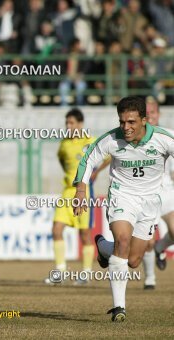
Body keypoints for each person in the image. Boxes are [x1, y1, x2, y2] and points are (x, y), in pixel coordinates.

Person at [73, 96, 174, 322]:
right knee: (123, 240)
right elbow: (89, 158)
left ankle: (103, 247)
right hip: (122, 196)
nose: (125, 128)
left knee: (133, 260)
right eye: (122, 122)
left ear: (144, 120)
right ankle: (119, 308)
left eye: (131, 122)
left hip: (150, 201)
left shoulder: (162, 139)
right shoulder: (111, 139)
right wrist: (81, 190)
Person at [44, 108, 109, 285]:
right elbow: (61, 159)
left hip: (85, 191)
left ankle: (86, 273)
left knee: (85, 235)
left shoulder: (90, 141)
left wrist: (96, 172)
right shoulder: (64, 144)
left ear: (80, 124)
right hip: (67, 191)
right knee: (56, 229)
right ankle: (60, 271)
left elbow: (108, 156)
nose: (68, 126)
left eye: (72, 123)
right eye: (67, 123)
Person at [144, 99, 174, 277]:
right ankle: (150, 278)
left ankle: (160, 248)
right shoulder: (137, 138)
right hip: (147, 195)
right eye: (146, 114)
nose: (149, 116)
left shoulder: (169, 136)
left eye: (152, 112)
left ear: (158, 114)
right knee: (146, 240)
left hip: (167, 192)